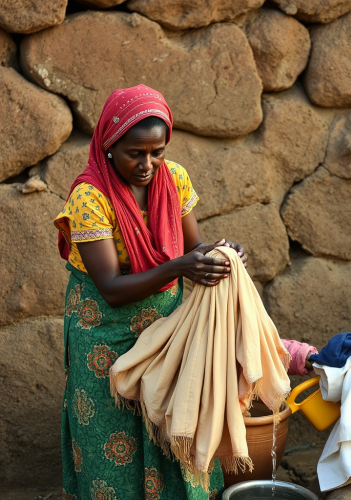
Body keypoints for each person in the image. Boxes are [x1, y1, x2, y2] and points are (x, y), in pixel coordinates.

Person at [54, 85, 251, 500]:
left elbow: (194, 246)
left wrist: (219, 255)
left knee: (169, 424)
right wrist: (180, 266)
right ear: (109, 146)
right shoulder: (90, 197)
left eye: (157, 152)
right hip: (104, 331)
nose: (148, 164)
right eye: (135, 153)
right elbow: (110, 287)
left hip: (165, 325)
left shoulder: (173, 178)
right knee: (111, 436)